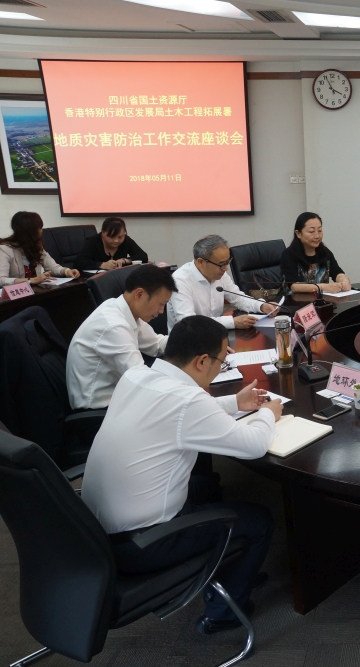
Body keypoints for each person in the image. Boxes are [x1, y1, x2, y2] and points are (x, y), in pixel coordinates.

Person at [81, 315, 283, 634]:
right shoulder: (188, 400)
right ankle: (222, 614)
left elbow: (178, 414)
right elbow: (254, 444)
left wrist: (235, 402)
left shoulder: (137, 375)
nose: (221, 367)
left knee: (207, 486)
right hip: (143, 544)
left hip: (95, 531)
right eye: (222, 360)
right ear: (202, 361)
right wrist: (267, 415)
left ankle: (227, 569)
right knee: (259, 520)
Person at [67, 265, 176, 410]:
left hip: (120, 398)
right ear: (139, 294)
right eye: (161, 304)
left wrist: (189, 341)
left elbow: (156, 344)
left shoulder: (125, 311)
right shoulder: (113, 325)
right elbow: (140, 378)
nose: (161, 311)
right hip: (99, 410)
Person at [167, 234, 278, 331]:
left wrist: (261, 306)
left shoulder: (220, 274)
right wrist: (232, 322)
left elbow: (239, 299)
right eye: (221, 264)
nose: (225, 268)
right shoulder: (180, 280)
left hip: (216, 335)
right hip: (188, 342)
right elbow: (189, 322)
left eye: (227, 262)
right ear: (201, 262)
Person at [0, 211, 80, 286]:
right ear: (30, 232)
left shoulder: (36, 246)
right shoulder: (4, 249)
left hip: (36, 291)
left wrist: (66, 271)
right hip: (16, 294)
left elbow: (52, 267)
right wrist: (31, 280)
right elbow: (1, 280)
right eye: (40, 228)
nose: (41, 231)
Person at [281, 212, 351, 295]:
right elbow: (294, 286)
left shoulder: (325, 252)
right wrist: (324, 287)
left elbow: (337, 272)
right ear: (298, 234)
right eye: (311, 231)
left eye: (320, 230)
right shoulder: (288, 255)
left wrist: (344, 281)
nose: (317, 236)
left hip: (321, 300)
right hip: (294, 301)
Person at [73, 217, 149, 271]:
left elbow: (143, 256)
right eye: (112, 236)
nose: (116, 240)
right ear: (103, 233)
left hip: (118, 278)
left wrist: (125, 260)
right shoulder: (93, 242)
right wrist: (101, 264)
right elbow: (79, 263)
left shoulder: (126, 240)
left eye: (120, 237)